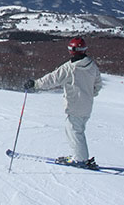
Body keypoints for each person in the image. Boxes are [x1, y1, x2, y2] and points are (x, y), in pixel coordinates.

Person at [24, 37, 103, 169]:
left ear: (71, 51)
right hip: (87, 106)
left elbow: (52, 79)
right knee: (77, 130)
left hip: (74, 105)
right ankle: (78, 156)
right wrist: (89, 95)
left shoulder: (69, 68)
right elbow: (98, 85)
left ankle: (80, 159)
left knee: (74, 131)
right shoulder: (92, 66)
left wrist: (35, 84)